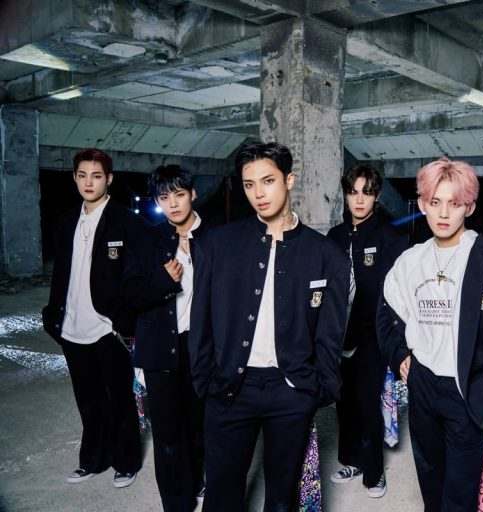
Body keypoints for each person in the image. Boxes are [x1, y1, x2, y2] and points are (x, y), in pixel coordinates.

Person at [188, 142, 351, 512]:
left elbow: (330, 333)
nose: (258, 193)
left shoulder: (325, 254)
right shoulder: (217, 245)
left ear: (289, 180)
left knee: (282, 498)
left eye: (268, 181)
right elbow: (201, 323)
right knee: (221, 496)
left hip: (291, 390)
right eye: (249, 184)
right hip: (229, 388)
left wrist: (319, 388)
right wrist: (205, 381)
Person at [378, 157, 483, 512]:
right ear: (423, 204)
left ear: (469, 207)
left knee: (460, 493)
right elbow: (385, 315)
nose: (443, 213)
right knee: (431, 482)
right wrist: (400, 357)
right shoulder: (410, 261)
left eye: (454, 203)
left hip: (468, 388)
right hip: (423, 385)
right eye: (435, 202)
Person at [41, 148, 147, 488]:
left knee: (119, 400)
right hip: (71, 326)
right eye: (83, 175)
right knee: (88, 400)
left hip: (107, 328)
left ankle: (126, 462)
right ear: (74, 178)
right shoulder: (66, 221)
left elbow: (137, 275)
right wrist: (53, 317)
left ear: (109, 179)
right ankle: (92, 460)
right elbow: (60, 275)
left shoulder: (125, 221)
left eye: (97, 176)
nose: (89, 182)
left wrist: (124, 318)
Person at [327, 165, 408, 498]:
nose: (359, 200)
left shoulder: (390, 237)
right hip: (338, 334)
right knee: (343, 401)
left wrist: (396, 342)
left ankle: (374, 472)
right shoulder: (334, 236)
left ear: (376, 196)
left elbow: (396, 295)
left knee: (368, 402)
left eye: (367, 192)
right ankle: (351, 460)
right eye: (353, 192)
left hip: (373, 335)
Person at [132, 165, 208, 511]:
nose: (173, 204)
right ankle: (176, 503)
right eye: (164, 197)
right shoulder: (148, 239)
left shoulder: (215, 238)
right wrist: (163, 282)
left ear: (192, 194)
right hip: (160, 349)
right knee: (167, 433)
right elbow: (128, 295)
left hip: (201, 348)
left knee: (199, 425)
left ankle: (197, 482)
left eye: (179, 195)